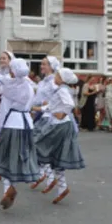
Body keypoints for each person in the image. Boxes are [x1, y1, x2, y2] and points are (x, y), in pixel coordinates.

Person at [0, 58, 39, 210]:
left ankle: (8, 189)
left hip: (12, 123)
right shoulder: (29, 85)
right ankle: (11, 187)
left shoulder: (10, 88)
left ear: (13, 70)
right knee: (21, 156)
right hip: (27, 124)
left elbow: (3, 111)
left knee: (6, 157)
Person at [34, 68, 85, 204]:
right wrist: (35, 108)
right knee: (54, 155)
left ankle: (49, 177)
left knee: (39, 146)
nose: (55, 77)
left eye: (57, 75)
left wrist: (62, 113)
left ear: (62, 79)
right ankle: (61, 186)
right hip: (58, 125)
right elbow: (52, 106)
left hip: (59, 126)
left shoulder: (62, 90)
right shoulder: (60, 90)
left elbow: (70, 104)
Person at [28, 56, 59, 189]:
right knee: (37, 145)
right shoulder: (42, 83)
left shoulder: (54, 82)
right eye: (41, 64)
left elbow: (57, 100)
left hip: (50, 117)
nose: (41, 66)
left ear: (52, 66)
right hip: (41, 115)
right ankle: (42, 174)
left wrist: (41, 106)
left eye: (44, 64)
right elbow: (36, 99)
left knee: (40, 145)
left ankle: (49, 176)